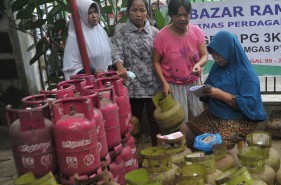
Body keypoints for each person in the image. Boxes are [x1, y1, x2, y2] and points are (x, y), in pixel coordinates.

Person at [180, 31, 267, 149]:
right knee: (185, 132)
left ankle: (221, 160)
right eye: (213, 54)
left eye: (219, 54)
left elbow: (250, 104)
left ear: (230, 51)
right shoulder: (217, 67)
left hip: (239, 119)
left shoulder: (247, 74)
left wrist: (220, 95)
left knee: (219, 145)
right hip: (215, 113)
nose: (216, 58)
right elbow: (209, 86)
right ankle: (204, 158)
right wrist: (205, 93)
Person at [112, 0, 162, 145]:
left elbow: (160, 57)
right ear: (128, 11)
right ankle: (132, 155)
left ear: (147, 12)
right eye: (134, 10)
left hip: (153, 84)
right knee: (133, 122)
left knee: (156, 120)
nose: (139, 14)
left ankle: (157, 151)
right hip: (132, 85)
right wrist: (120, 67)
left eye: (142, 10)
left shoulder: (155, 32)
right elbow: (116, 52)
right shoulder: (121, 29)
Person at [153, 0, 208, 123]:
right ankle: (182, 142)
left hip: (195, 82)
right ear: (171, 16)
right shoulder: (161, 37)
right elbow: (156, 61)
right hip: (174, 85)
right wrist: (164, 83)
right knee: (179, 119)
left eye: (186, 15)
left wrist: (198, 65)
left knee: (201, 117)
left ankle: (200, 141)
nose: (183, 18)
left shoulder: (196, 32)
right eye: (178, 15)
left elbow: (204, 55)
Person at [63, 0, 112, 80]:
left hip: (106, 81)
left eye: (95, 12)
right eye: (89, 13)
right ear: (81, 14)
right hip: (91, 86)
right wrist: (94, 72)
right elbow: (71, 69)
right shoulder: (75, 37)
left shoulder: (101, 32)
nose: (94, 16)